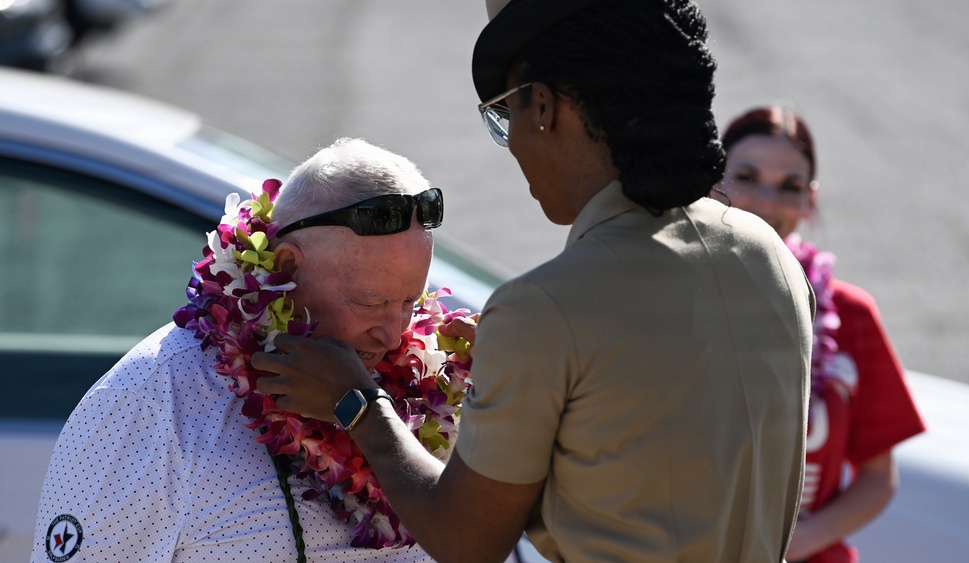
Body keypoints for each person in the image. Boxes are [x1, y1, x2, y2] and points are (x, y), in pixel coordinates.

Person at [252, 1, 816, 561]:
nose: (513, 143)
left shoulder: (545, 308)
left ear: (543, 106)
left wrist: (358, 405)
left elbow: (467, 540)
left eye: (508, 116)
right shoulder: (768, 255)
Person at [32, 138, 443, 562]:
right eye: (370, 303)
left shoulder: (424, 390)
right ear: (285, 267)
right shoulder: (146, 405)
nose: (394, 335)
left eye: (410, 301)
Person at [715, 105, 926, 563]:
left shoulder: (850, 315)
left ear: (810, 200)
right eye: (746, 177)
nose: (768, 200)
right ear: (711, 184)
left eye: (790, 186)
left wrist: (791, 547)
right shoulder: (669, 299)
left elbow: (877, 477)